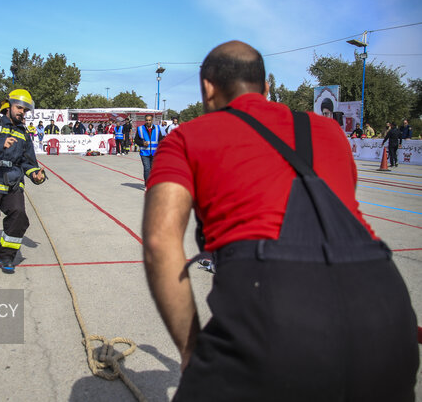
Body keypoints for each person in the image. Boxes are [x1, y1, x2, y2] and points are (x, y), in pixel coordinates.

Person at [142, 40, 418, 401]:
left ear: (207, 87)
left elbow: (160, 243)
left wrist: (191, 349)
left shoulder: (186, 138)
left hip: (273, 315)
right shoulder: (327, 130)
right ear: (266, 86)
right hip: (389, 316)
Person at [0, 89, 46, 274]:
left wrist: (35, 174)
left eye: (25, 110)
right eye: (19, 108)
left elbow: (28, 162)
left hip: (13, 181)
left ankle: (6, 256)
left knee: (19, 216)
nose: (22, 112)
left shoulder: (24, 134)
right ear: (8, 106)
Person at [133, 114, 163, 179]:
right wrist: (142, 143)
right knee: (147, 169)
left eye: (149, 120)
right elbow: (136, 140)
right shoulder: (140, 129)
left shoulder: (157, 128)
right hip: (144, 153)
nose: (148, 122)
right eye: (147, 120)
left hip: (154, 153)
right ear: (145, 120)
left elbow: (161, 140)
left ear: (152, 120)